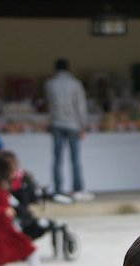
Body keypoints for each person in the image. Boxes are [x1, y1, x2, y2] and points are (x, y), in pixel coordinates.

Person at [45, 58, 93, 202]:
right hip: (73, 124)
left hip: (57, 123)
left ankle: (58, 189)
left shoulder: (50, 84)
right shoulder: (76, 84)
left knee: (57, 159)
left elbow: (50, 106)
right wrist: (83, 125)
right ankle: (77, 188)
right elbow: (80, 106)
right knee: (75, 158)